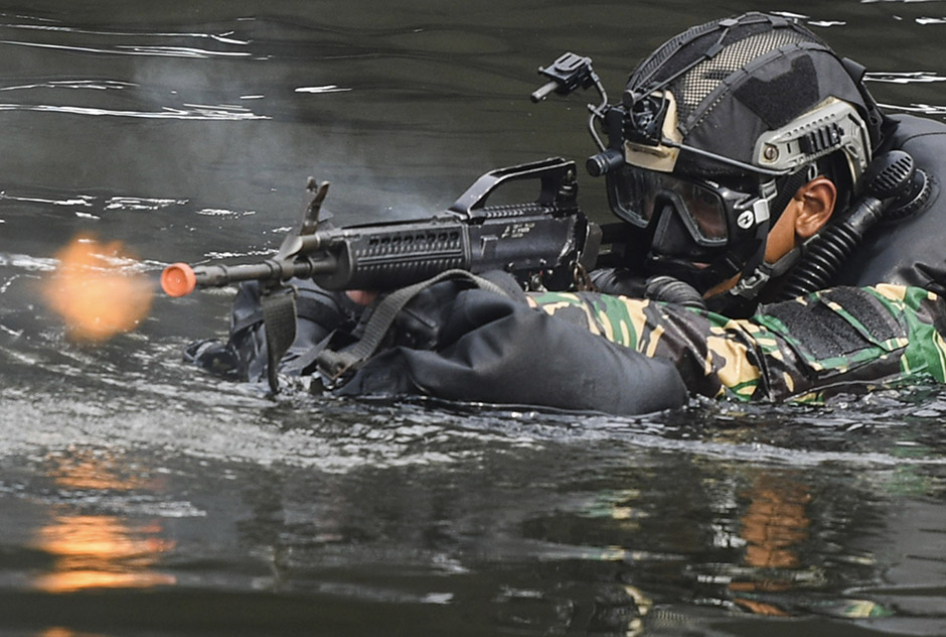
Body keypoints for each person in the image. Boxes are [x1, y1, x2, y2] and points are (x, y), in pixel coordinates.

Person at [185, 12, 946, 415]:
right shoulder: (691, 254)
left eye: (705, 207)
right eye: (646, 197)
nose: (664, 238)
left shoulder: (911, 319)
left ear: (811, 206)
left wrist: (533, 314)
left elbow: (747, 355)